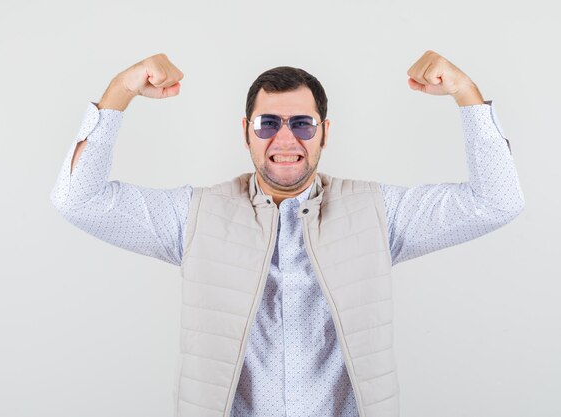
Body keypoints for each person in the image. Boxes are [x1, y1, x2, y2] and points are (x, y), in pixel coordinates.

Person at [50, 51, 525, 417]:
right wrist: (120, 90)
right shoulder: (195, 216)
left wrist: (466, 92)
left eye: (301, 123)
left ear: (324, 132)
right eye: (268, 123)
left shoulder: (378, 213)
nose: (285, 139)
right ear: (246, 132)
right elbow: (79, 199)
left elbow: (497, 201)